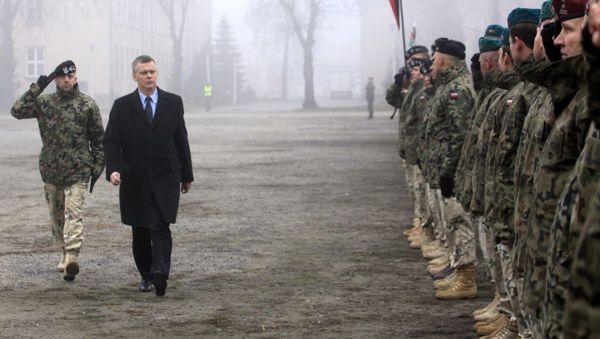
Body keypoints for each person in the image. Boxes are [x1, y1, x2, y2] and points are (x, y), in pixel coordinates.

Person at [104, 55, 194, 297]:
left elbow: (181, 139)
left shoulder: (173, 103)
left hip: (166, 176)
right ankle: (146, 274)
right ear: (135, 76)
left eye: (152, 71)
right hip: (135, 179)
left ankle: (160, 273)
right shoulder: (122, 107)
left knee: (160, 224)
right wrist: (113, 169)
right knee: (141, 230)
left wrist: (187, 174)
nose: (149, 76)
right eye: (143, 73)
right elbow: (112, 142)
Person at [11, 60, 105, 282]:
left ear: (75, 78)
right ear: (56, 79)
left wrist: (96, 167)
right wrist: (37, 88)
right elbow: (16, 110)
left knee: (75, 213)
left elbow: (99, 140)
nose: (66, 80)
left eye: (70, 76)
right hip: (52, 170)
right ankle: (64, 251)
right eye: (62, 77)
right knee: (57, 216)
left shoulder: (87, 105)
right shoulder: (45, 103)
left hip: (78, 170)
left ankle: (72, 255)